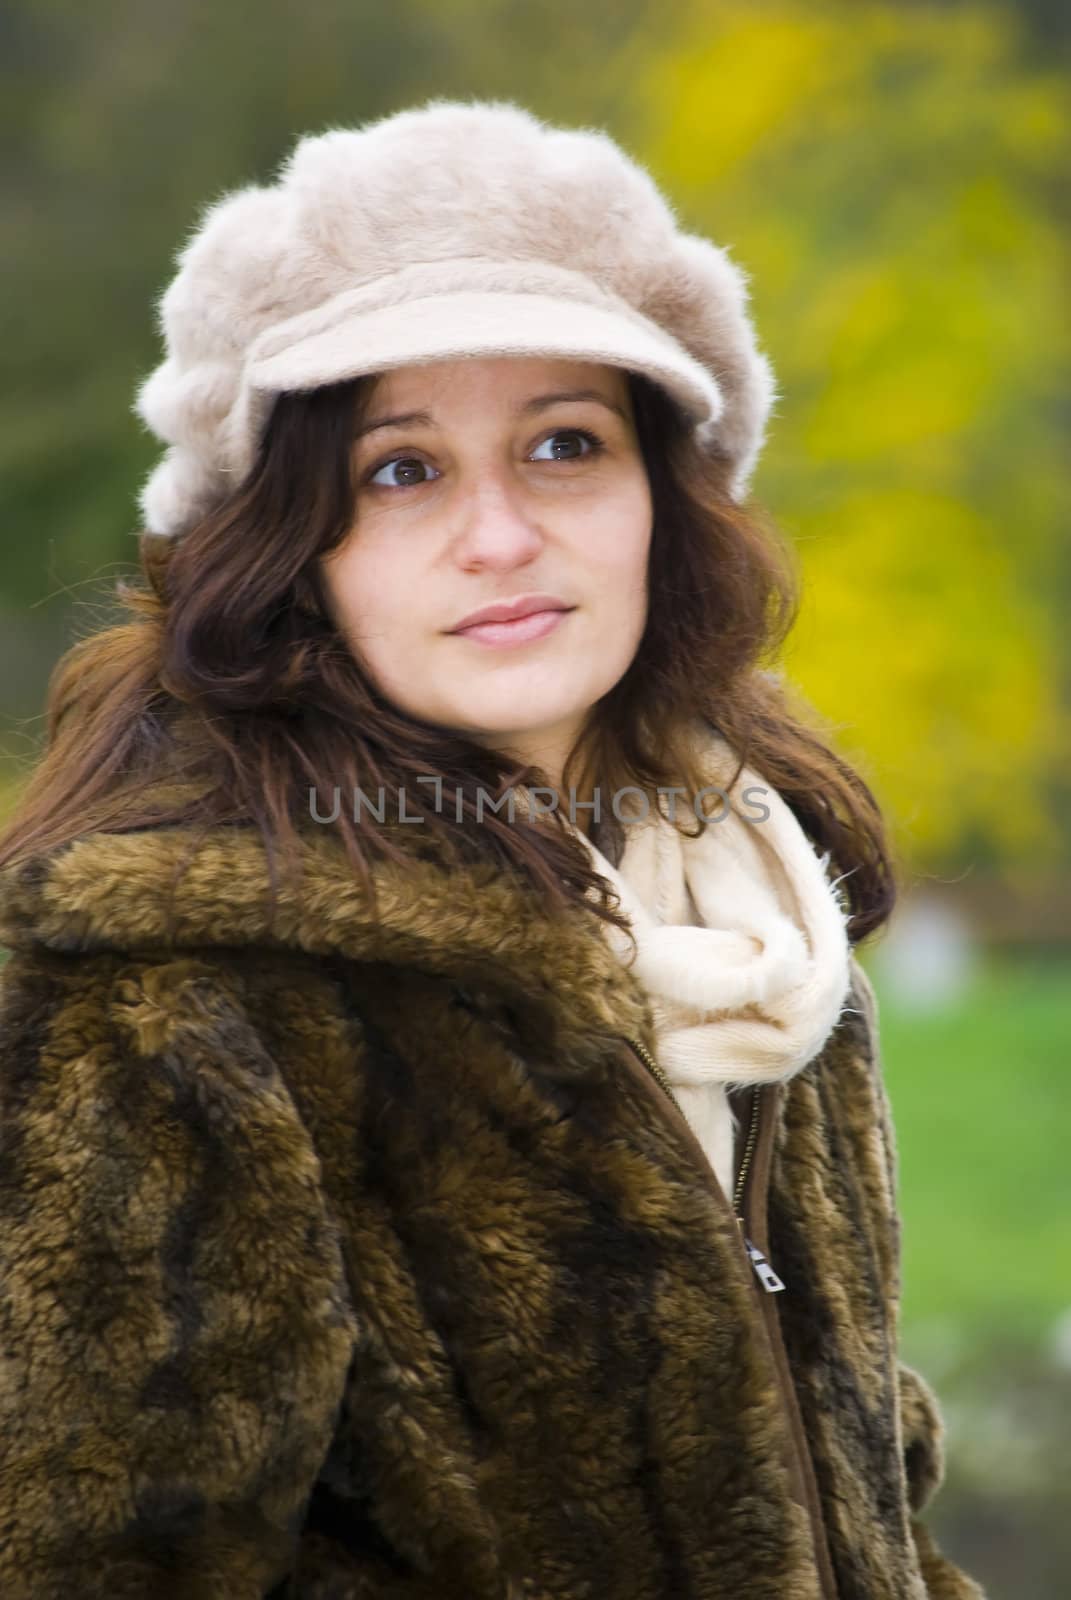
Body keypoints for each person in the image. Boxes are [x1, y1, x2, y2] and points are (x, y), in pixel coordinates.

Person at [0, 97, 985, 1600]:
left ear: (664, 494)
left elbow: (865, 1473)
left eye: (565, 445)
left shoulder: (759, 902)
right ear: (290, 550)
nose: (503, 535)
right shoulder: (167, 992)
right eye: (403, 470)